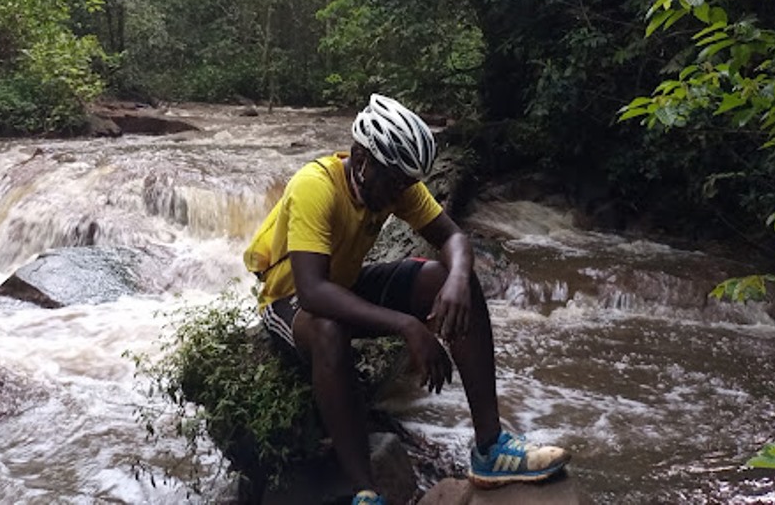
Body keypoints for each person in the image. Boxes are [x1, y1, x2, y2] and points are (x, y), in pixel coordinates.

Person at [243, 94, 570, 505]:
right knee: (328, 328)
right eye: (393, 179)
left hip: (343, 285)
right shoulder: (316, 187)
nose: (400, 189)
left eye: (406, 182)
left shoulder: (397, 186)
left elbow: (452, 237)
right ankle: (366, 491)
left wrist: (457, 281)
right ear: (361, 158)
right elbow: (312, 292)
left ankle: (490, 446)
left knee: (448, 278)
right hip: (291, 301)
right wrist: (408, 325)